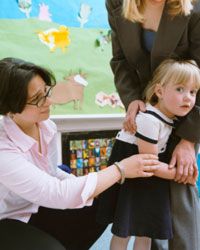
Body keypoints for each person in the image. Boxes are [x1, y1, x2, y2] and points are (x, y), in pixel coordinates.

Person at [0, 57, 160, 250]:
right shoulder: (4, 150)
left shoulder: (45, 126)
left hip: (35, 206)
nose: (48, 101)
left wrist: (85, 184)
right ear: (10, 107)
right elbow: (56, 193)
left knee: (100, 204)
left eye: (46, 92)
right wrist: (121, 169)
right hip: (8, 217)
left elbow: (51, 173)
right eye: (37, 99)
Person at [104, 0, 200, 249]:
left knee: (179, 197)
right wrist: (133, 98)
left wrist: (189, 140)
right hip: (145, 113)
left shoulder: (195, 7)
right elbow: (120, 60)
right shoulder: (116, 3)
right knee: (141, 205)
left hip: (185, 114)